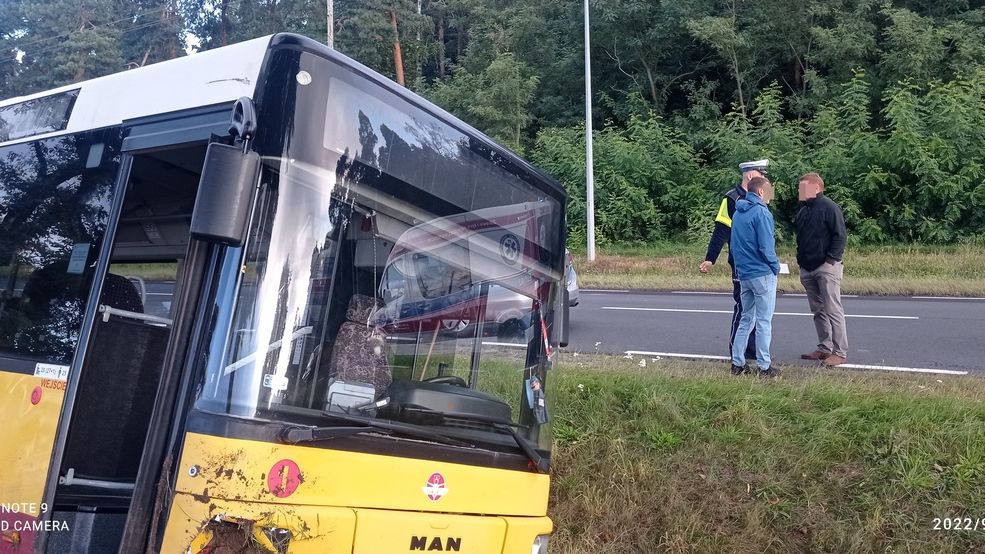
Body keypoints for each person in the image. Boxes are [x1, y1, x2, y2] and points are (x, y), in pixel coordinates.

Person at [700, 159, 769, 368]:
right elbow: (721, 230)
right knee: (743, 307)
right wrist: (710, 258)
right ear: (750, 176)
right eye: (762, 176)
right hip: (741, 263)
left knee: (758, 309)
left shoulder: (759, 197)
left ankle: (751, 349)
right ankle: (736, 352)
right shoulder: (731, 198)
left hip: (758, 264)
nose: (766, 181)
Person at [795, 172, 849, 366]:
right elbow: (801, 238)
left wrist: (831, 260)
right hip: (807, 267)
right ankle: (824, 348)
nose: (800, 191)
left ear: (816, 187)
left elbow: (840, 235)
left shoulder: (829, 207)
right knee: (818, 310)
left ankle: (840, 352)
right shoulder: (803, 211)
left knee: (833, 309)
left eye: (804, 187)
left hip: (826, 267)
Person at [729, 177, 780, 377]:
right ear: (760, 192)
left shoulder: (738, 213)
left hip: (744, 273)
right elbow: (766, 246)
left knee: (745, 319)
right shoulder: (762, 213)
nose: (770, 196)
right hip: (762, 272)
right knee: (764, 321)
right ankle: (764, 366)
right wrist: (775, 266)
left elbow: (734, 244)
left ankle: (737, 363)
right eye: (769, 192)